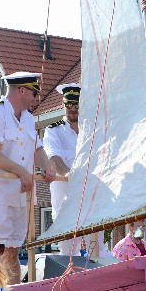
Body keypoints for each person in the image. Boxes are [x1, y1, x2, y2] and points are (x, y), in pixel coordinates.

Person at [0, 72, 58, 284]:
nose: (36, 98)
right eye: (34, 93)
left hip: (18, 193)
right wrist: (23, 172)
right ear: (21, 90)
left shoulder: (27, 118)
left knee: (13, 251)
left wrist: (47, 166)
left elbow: (37, 148)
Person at [45, 84, 97, 257]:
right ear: (63, 104)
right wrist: (70, 176)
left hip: (90, 196)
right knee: (68, 251)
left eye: (76, 105)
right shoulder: (53, 131)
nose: (73, 109)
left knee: (96, 247)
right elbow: (53, 159)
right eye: (69, 105)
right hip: (65, 199)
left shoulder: (92, 130)